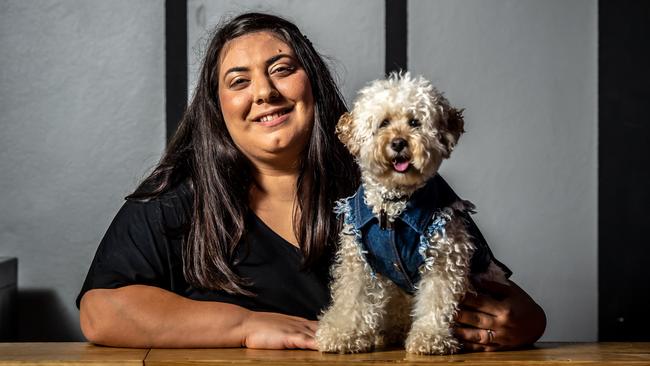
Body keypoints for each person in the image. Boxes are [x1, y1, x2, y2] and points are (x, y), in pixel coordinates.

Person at [77, 12, 545, 351]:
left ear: (313, 85)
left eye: (282, 70)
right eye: (239, 82)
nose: (264, 92)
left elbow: (497, 292)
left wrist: (523, 322)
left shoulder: (389, 192)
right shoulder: (175, 203)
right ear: (216, 109)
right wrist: (244, 326)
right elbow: (102, 313)